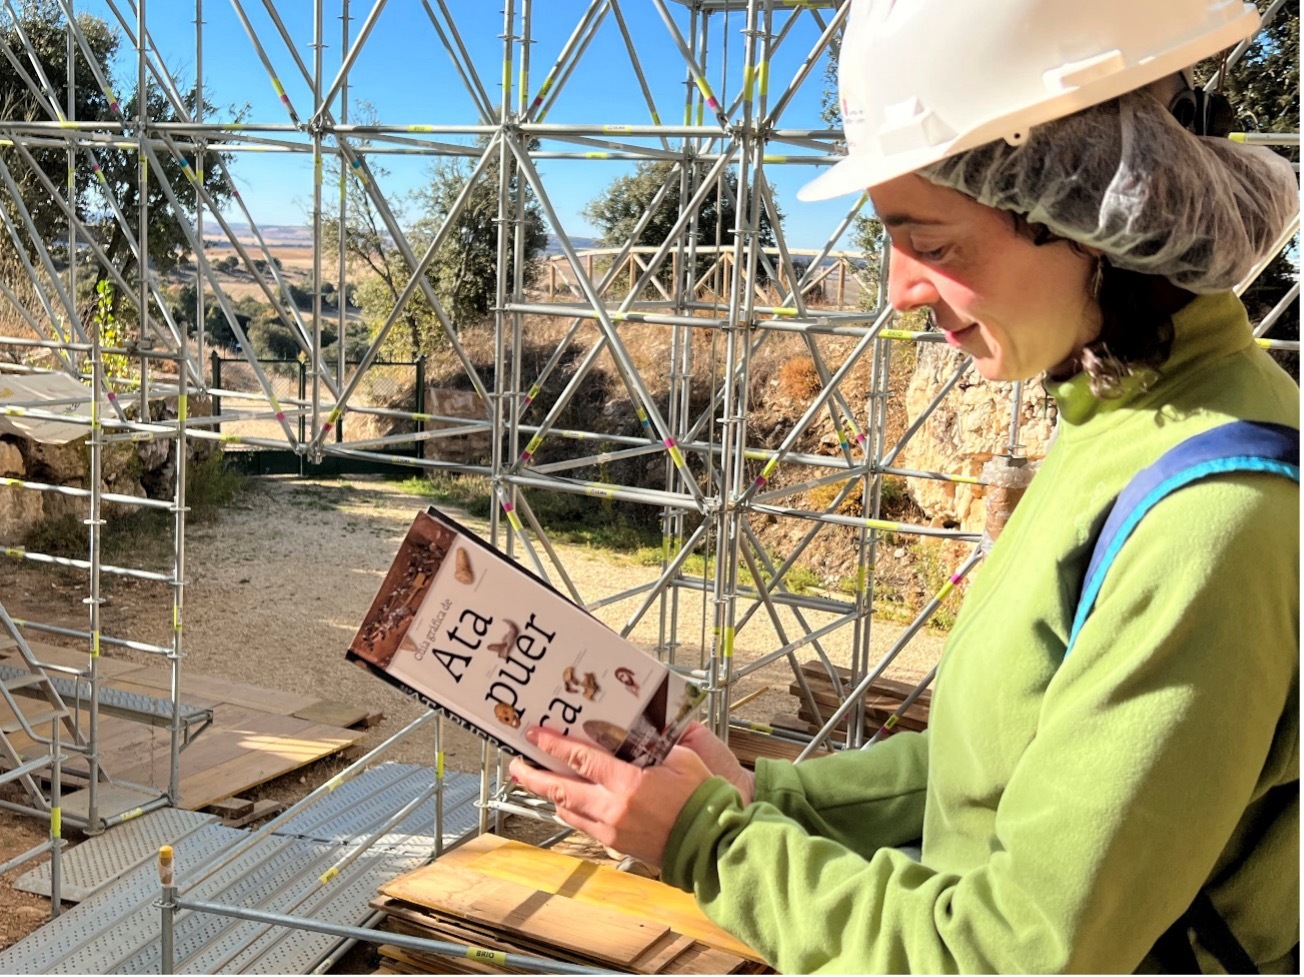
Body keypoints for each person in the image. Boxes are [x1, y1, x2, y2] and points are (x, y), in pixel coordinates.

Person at [510, 0, 1300, 971]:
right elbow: (1002, 757)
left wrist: (710, 843)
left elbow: (1020, 953)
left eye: (931, 241)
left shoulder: (1210, 517)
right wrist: (771, 800)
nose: (898, 289)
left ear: (1088, 212)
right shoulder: (1122, 423)